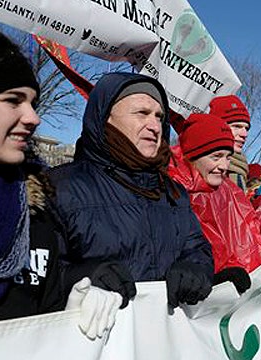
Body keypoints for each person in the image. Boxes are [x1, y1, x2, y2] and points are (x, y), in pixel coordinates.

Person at [0, 23, 127, 338]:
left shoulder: (34, 215)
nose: (33, 117)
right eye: (13, 100)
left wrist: (69, 313)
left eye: (32, 102)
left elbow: (45, 306)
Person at [49, 72, 214, 309]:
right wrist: (81, 277)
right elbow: (39, 278)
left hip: (165, 339)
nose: (155, 126)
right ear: (105, 118)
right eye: (142, 113)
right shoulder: (60, 187)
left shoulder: (174, 193)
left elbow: (197, 249)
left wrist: (196, 269)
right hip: (95, 340)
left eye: (159, 116)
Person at [168, 114, 261, 294]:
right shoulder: (171, 190)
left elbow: (246, 232)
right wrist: (213, 277)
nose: (223, 165)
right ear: (193, 155)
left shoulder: (228, 189)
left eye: (228, 157)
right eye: (216, 156)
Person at [209, 95, 250, 191]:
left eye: (246, 128)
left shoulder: (240, 169)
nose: (244, 134)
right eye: (237, 126)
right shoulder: (202, 168)